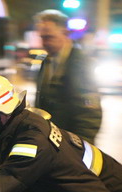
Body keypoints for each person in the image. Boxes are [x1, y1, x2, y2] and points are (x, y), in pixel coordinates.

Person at [34, 9, 102, 143]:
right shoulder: (46, 61)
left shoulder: (80, 63)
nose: (44, 42)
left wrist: (81, 147)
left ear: (65, 33)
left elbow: (90, 113)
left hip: (73, 146)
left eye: (49, 37)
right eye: (42, 37)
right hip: (52, 143)